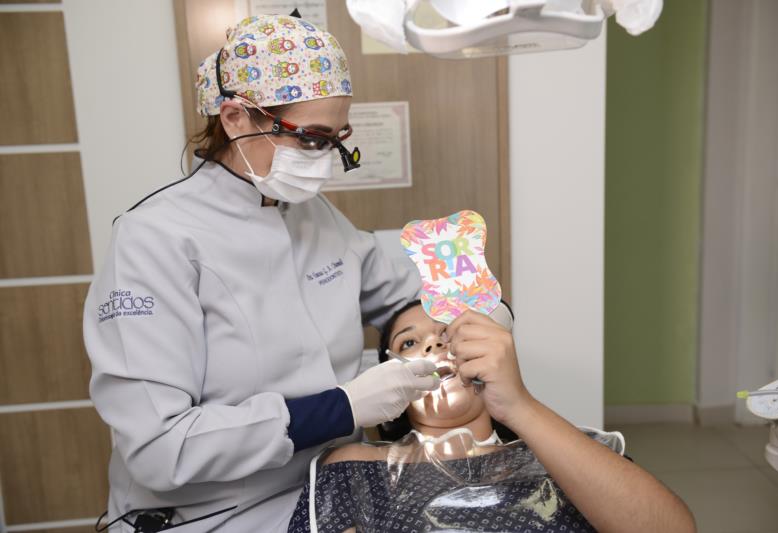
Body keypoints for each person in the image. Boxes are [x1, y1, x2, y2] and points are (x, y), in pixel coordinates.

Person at [83, 14, 441, 532]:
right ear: (235, 118)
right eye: (311, 138)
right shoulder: (153, 241)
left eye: (336, 138)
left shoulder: (311, 213)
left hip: (331, 486)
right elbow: (160, 447)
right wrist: (342, 408)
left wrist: (467, 319)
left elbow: (400, 299)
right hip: (215, 514)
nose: (325, 159)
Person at [289, 301, 697, 533]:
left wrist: (518, 405)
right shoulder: (354, 468)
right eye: (409, 342)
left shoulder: (562, 452)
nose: (433, 345)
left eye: (450, 334)